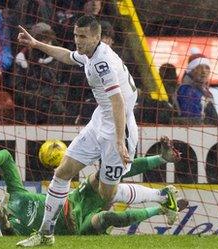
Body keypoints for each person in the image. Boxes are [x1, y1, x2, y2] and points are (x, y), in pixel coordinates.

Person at [16, 15, 164, 246]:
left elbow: (118, 102)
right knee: (63, 172)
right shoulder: (91, 53)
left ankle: (162, 196)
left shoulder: (102, 63)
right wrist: (36, 44)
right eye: (76, 35)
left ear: (96, 37)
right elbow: (67, 55)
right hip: (100, 122)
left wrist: (118, 141)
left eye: (82, 36)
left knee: (108, 194)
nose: (77, 40)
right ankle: (45, 233)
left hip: (119, 127)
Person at [0, 136, 185, 236]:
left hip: (76, 200)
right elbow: (10, 234)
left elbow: (6, 156)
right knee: (105, 218)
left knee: (105, 173)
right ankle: (161, 208)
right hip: (77, 226)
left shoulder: (16, 194)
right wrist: (3, 221)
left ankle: (162, 159)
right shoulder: (10, 227)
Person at [11, 22, 68, 124]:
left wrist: (54, 99)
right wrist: (38, 97)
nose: (44, 42)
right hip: (29, 110)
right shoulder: (21, 60)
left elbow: (64, 86)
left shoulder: (59, 61)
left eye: (47, 38)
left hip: (53, 109)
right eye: (41, 38)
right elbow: (17, 89)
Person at [175, 48, 218, 126]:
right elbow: (193, 121)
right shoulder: (187, 90)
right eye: (199, 67)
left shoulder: (204, 91)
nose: (204, 71)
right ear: (191, 71)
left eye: (207, 68)